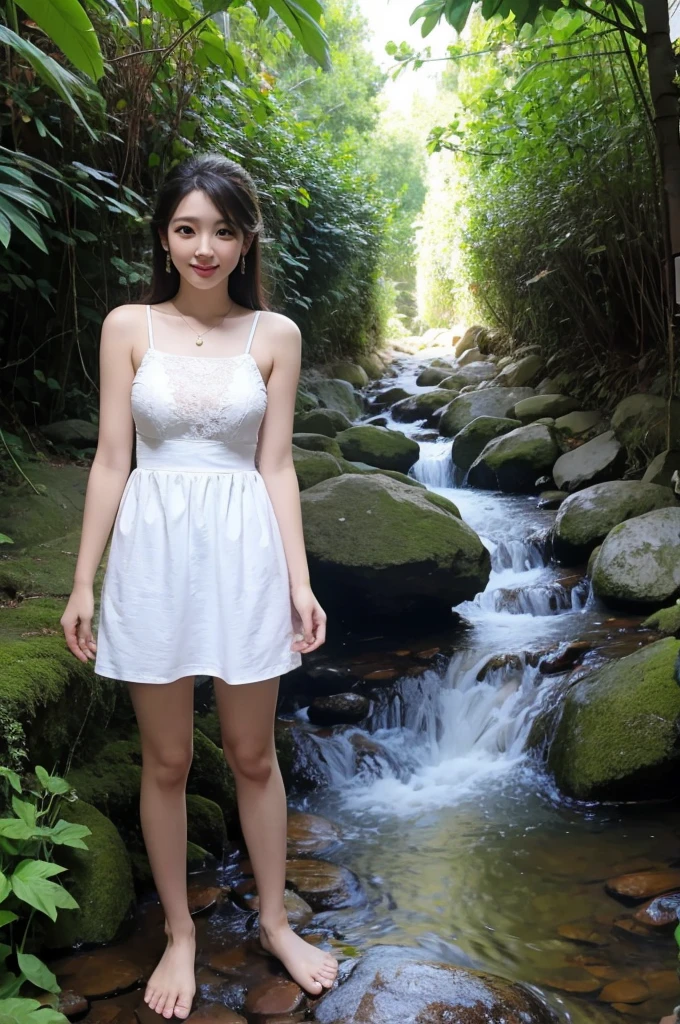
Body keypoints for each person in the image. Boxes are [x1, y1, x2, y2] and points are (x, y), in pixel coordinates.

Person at [60, 153, 339, 1019]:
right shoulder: (127, 326)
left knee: (253, 756)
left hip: (244, 551)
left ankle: (273, 919)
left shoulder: (276, 336)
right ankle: (180, 931)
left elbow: (279, 467)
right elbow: (112, 460)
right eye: (187, 229)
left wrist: (300, 582)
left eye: (222, 230)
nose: (205, 247)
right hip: (152, 554)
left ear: (247, 238)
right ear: (164, 236)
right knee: (170, 759)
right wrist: (83, 583)